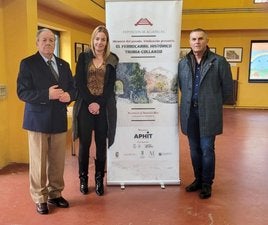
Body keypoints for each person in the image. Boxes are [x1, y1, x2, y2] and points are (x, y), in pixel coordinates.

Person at [17, 28, 76, 214]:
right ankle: (40, 197)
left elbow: (74, 88)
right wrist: (46, 94)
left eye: (52, 40)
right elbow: (23, 92)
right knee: (39, 162)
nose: (48, 43)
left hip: (58, 119)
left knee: (57, 161)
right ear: (37, 42)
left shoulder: (64, 64)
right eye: (44, 40)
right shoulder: (28, 64)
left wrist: (70, 95)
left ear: (55, 43)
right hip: (37, 121)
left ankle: (55, 194)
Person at [177, 28, 233, 199]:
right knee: (194, 149)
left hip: (209, 112)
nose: (197, 42)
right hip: (190, 112)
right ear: (189, 42)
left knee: (207, 149)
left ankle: (207, 184)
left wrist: (212, 103)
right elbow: (181, 85)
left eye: (200, 38)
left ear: (207, 40)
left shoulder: (219, 62)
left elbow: (227, 89)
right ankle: (198, 180)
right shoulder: (183, 63)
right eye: (193, 39)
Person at [73, 25, 119, 196]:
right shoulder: (84, 57)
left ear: (107, 42)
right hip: (85, 106)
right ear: (93, 40)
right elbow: (79, 82)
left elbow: (109, 86)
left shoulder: (113, 59)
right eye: (97, 38)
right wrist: (91, 102)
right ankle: (83, 179)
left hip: (103, 107)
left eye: (103, 39)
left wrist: (98, 103)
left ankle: (99, 179)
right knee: (84, 144)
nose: (100, 42)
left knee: (101, 144)